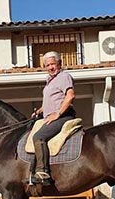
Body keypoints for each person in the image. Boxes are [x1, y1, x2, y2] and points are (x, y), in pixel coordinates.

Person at [30, 51, 76, 185]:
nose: (50, 67)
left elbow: (70, 96)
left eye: (53, 64)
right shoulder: (49, 81)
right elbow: (52, 100)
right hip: (50, 117)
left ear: (59, 64)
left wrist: (58, 114)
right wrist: (40, 110)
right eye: (47, 65)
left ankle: (43, 172)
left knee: (38, 137)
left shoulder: (64, 76)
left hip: (64, 116)